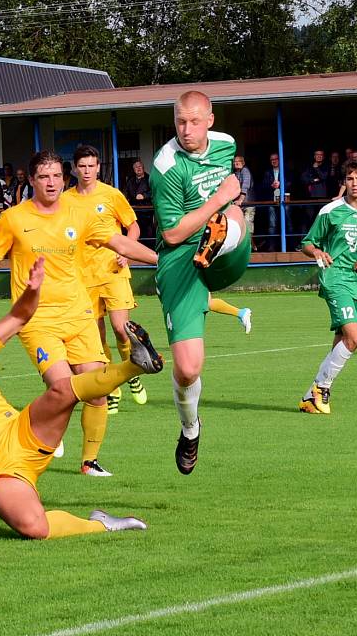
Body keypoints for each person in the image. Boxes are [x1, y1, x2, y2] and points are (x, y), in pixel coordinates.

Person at [0, 259, 164, 539]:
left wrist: (33, 290)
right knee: (34, 528)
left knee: (62, 390)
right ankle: (103, 523)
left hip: (21, 432)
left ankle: (135, 364)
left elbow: (19, 318)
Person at [0, 150, 158, 475]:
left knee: (97, 392)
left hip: (78, 315)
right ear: (31, 180)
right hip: (36, 319)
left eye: (57, 176)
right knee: (64, 390)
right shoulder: (14, 218)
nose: (51, 182)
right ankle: (36, 433)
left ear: (64, 178)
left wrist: (164, 262)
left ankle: (90, 462)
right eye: (44, 176)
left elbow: (121, 243)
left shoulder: (79, 215)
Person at [150, 90, 248, 476]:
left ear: (210, 119)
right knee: (189, 368)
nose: (186, 130)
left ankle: (220, 241)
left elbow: (230, 193)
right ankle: (190, 430)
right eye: (179, 122)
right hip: (179, 259)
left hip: (222, 247)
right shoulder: (165, 166)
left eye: (194, 121)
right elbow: (171, 235)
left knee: (235, 212)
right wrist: (219, 199)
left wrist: (226, 201)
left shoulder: (226, 144)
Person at [298, 160, 357, 414]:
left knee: (342, 339)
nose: (354, 183)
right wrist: (317, 251)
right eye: (350, 179)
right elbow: (307, 243)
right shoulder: (330, 211)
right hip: (335, 277)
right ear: (344, 182)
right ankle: (322, 388)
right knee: (355, 336)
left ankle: (310, 396)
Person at [63, 144, 146, 419]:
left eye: (91, 166)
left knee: (122, 329)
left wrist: (126, 251)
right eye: (82, 166)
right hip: (83, 277)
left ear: (99, 167)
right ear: (75, 168)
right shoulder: (65, 200)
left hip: (112, 270)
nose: (87, 171)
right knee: (96, 338)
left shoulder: (111, 195)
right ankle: (111, 387)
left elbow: (133, 227)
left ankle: (130, 371)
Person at [124, 159, 154, 243]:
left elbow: (155, 192)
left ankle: (148, 246)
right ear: (134, 170)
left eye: (140, 166)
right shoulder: (130, 180)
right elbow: (126, 193)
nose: (138, 168)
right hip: (134, 210)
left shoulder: (150, 178)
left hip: (146, 210)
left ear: (143, 167)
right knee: (134, 230)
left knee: (147, 231)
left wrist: (144, 196)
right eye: (136, 167)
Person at [233, 155, 256, 251]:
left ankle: (249, 247)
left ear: (243, 163)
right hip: (240, 205)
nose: (236, 163)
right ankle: (252, 246)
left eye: (239, 161)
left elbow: (245, 186)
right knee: (241, 225)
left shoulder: (245, 171)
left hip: (248, 203)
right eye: (235, 162)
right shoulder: (235, 173)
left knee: (247, 225)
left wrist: (240, 200)